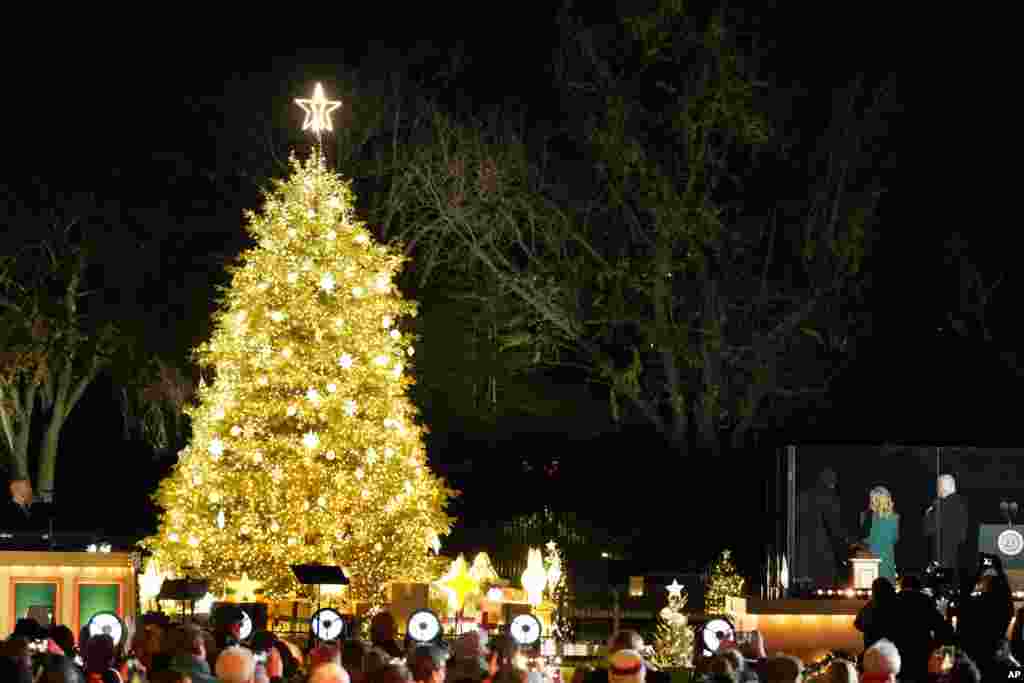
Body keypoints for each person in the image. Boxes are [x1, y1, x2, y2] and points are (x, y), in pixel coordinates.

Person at [957, 554, 1014, 678]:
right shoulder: (1000, 584)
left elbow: (963, 608)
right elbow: (1008, 612)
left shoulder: (975, 585)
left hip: (978, 639)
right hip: (987, 638)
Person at [890, 574, 953, 682]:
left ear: (902, 586)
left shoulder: (893, 600)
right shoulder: (924, 600)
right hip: (921, 651)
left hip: (898, 652)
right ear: (918, 587)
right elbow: (940, 626)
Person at [795, 468, 845, 588]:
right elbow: (836, 526)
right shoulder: (829, 496)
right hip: (819, 543)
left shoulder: (803, 496)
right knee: (823, 580)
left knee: (805, 579)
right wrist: (849, 540)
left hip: (803, 543)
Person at [924, 474, 968, 580]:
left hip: (942, 553)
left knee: (942, 583)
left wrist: (928, 514)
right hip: (959, 552)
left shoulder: (940, 505)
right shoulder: (961, 502)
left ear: (943, 487)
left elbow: (929, 529)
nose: (936, 489)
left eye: (938, 485)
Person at [860, 486, 899, 580]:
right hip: (887, 559)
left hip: (870, 559)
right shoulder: (894, 517)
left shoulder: (866, 516)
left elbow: (864, 539)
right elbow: (895, 538)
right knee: (886, 588)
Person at [855, 577, 898, 651]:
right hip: (893, 648)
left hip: (872, 647)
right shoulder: (896, 604)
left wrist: (869, 628)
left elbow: (858, 623)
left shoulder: (870, 606)